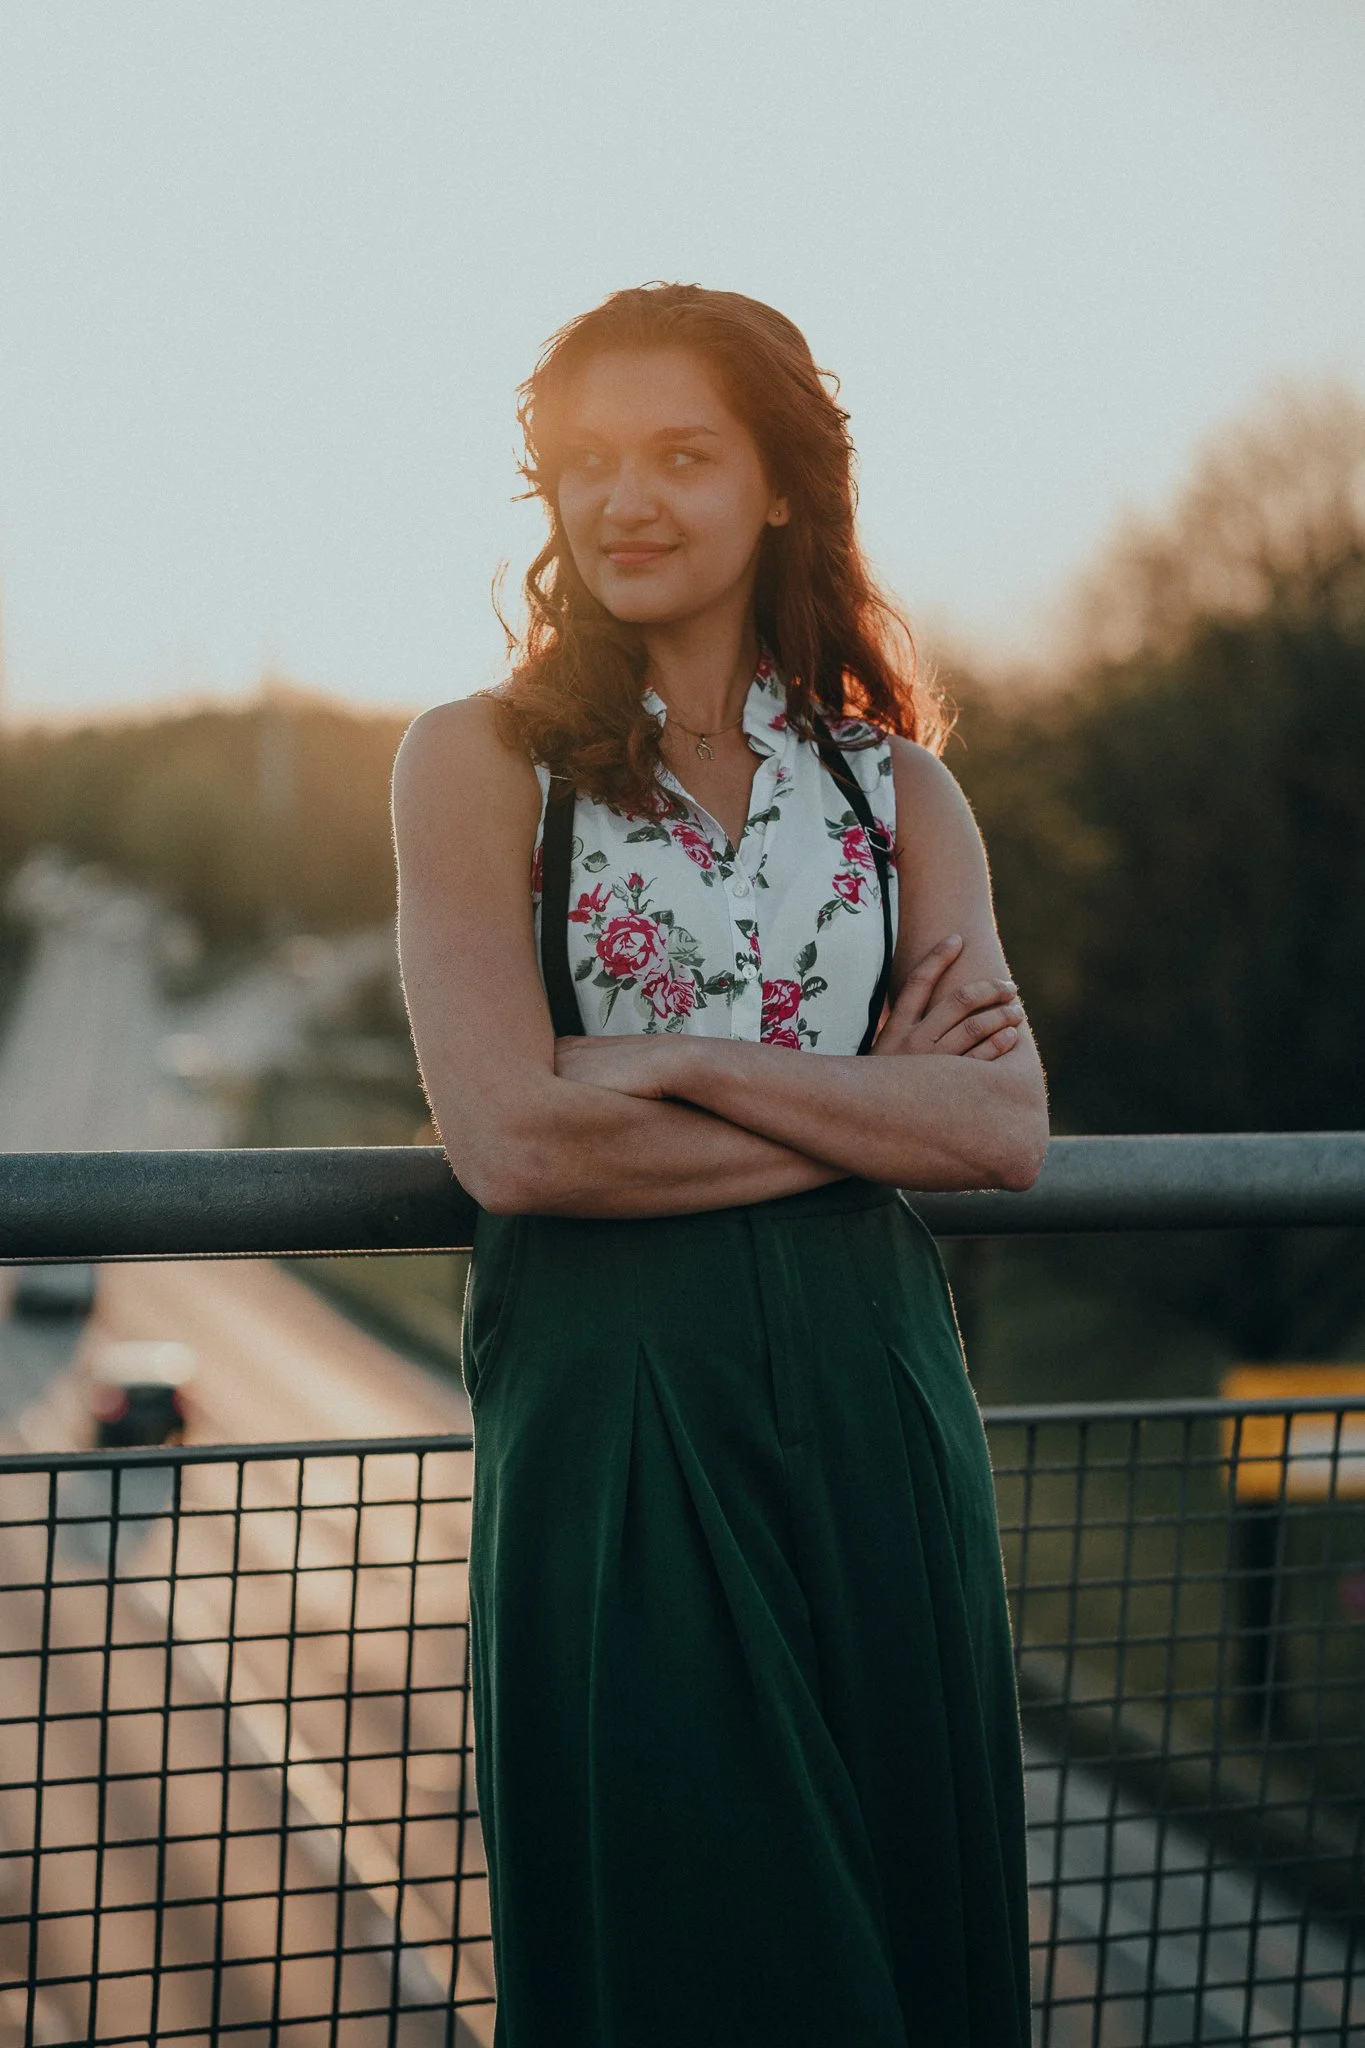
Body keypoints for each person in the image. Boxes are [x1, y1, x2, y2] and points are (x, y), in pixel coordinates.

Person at [392, 283, 1049, 2048]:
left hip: (877, 1392)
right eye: (586, 463)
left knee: (910, 1933)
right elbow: (513, 1140)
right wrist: (851, 1116)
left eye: (682, 455)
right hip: (616, 1398)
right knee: (691, 1942)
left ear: (778, 487)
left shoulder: (900, 794)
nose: (627, 500)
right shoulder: (478, 765)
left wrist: (679, 1062)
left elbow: (998, 1126)